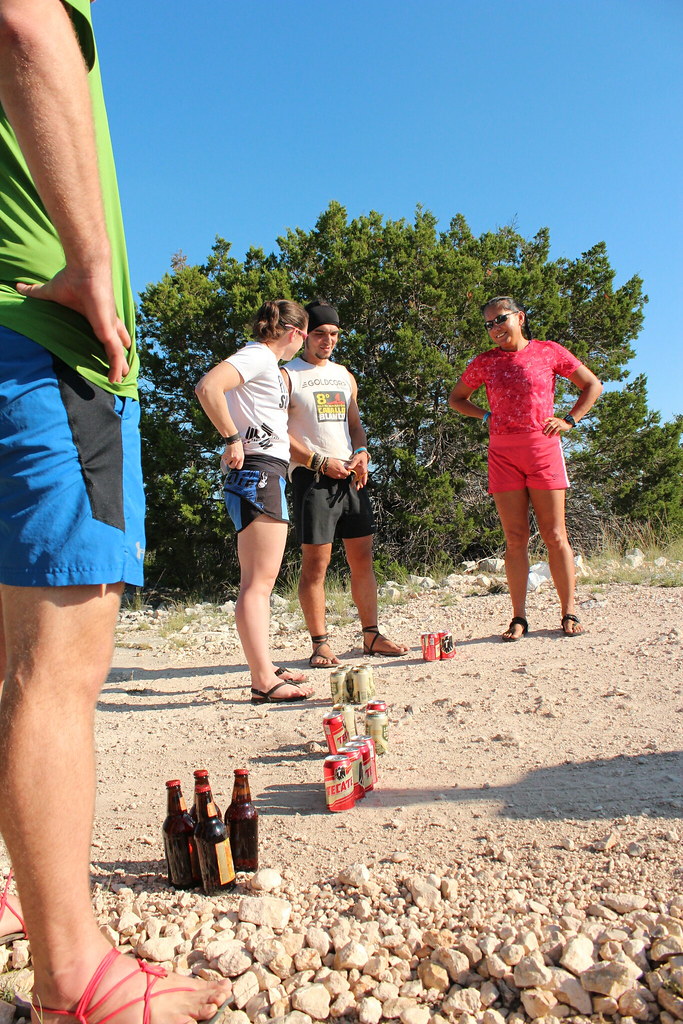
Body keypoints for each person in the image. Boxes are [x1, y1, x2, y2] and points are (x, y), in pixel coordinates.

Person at [0, 1, 230, 1021]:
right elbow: (22, 27)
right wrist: (90, 256)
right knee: (55, 665)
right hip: (40, 335)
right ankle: (76, 979)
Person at [449, 296, 603, 641]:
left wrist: (569, 420)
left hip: (542, 448)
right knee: (515, 538)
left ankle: (569, 612)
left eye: (500, 319)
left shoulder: (548, 351)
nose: (495, 328)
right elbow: (456, 399)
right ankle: (518, 617)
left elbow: (592, 385)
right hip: (503, 454)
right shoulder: (485, 362)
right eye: (489, 324)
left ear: (520, 317)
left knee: (554, 535)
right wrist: (485, 415)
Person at [195, 300, 314, 704]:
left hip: (267, 470)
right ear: (295, 333)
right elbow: (208, 386)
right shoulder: (258, 355)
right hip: (259, 470)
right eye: (305, 335)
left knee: (260, 580)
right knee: (258, 582)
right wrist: (231, 438)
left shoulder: (266, 364)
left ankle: (265, 666)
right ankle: (262, 679)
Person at [282, 300, 408, 667]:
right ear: (305, 335)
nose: (328, 340)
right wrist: (318, 461)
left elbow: (354, 424)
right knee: (316, 565)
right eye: (320, 333)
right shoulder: (288, 374)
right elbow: (277, 432)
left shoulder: (344, 375)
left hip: (351, 477)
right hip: (313, 478)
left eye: (334, 334)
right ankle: (320, 642)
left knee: (363, 559)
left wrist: (363, 451)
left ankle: (371, 635)